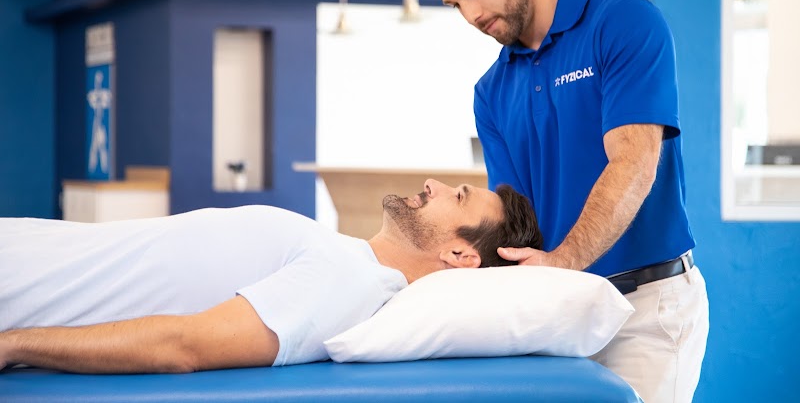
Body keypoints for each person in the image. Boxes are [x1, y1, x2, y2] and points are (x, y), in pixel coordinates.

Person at [413, 0, 709, 403]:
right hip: (557, 315)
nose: (471, 15)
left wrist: (564, 261)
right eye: (454, 4)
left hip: (644, 310)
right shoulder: (491, 92)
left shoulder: (625, 25)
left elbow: (633, 163)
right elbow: (515, 220)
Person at [0, 178, 540, 374]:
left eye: (457, 197)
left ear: (460, 254)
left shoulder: (351, 283)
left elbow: (182, 347)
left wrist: (13, 344)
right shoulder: (345, 255)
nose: (433, 185)